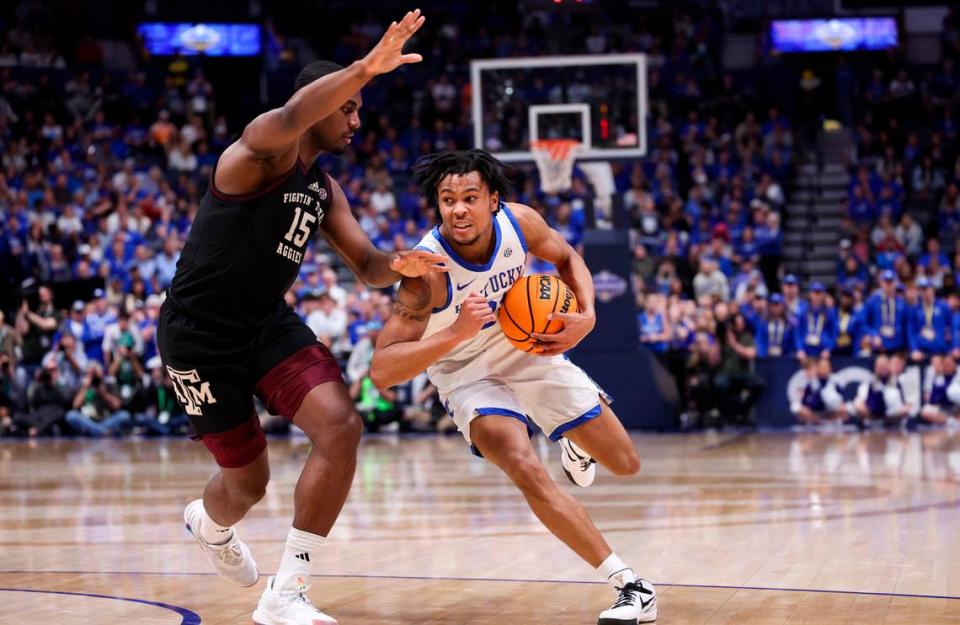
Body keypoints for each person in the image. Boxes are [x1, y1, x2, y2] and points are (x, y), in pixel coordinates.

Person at [156, 12, 443, 625]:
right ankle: (209, 523)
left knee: (341, 427)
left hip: (265, 324)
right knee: (247, 483)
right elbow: (290, 117)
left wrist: (406, 263)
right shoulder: (259, 149)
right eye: (350, 108)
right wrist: (364, 67)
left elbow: (367, 265)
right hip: (198, 334)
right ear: (323, 104)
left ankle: (286, 593)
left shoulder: (325, 189)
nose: (357, 120)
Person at [369, 150, 657, 625]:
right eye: (447, 200)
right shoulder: (427, 277)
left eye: (469, 198)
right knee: (523, 464)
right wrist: (453, 334)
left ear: (494, 201)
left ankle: (574, 445)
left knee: (625, 463)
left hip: (527, 350)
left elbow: (567, 256)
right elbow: (382, 370)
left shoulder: (520, 223)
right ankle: (630, 585)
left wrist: (586, 317)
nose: (458, 209)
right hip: (465, 373)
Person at [791, 358, 846, 426]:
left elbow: (842, 398)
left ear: (830, 368)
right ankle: (818, 422)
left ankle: (829, 422)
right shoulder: (811, 380)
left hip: (831, 411)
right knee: (796, 408)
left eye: (826, 367)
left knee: (843, 408)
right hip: (814, 411)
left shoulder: (835, 380)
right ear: (817, 368)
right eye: (822, 367)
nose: (824, 369)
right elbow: (804, 400)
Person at [908, 277, 951, 362]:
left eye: (926, 288)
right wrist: (914, 349)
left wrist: (952, 347)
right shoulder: (914, 310)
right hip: (922, 351)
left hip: (941, 350)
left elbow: (951, 327)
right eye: (922, 289)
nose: (925, 292)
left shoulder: (943, 307)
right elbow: (911, 332)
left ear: (932, 289)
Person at [795, 282, 837, 360]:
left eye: (819, 293)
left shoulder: (830, 312)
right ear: (810, 294)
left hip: (823, 353)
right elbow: (798, 332)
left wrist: (828, 349)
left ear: (824, 295)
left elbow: (833, 332)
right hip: (806, 352)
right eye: (815, 293)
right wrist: (800, 349)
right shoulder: (803, 311)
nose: (817, 296)